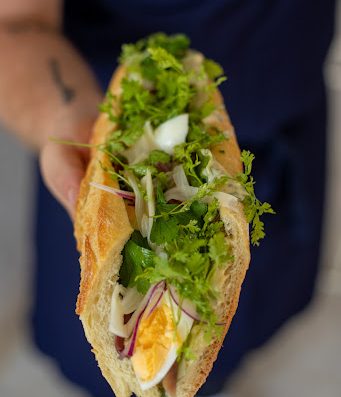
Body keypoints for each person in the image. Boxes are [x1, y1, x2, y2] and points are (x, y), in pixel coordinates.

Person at [0, 1, 335, 396]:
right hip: (93, 118)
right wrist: (64, 120)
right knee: (95, 369)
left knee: (264, 309)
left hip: (287, 101)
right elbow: (14, 23)